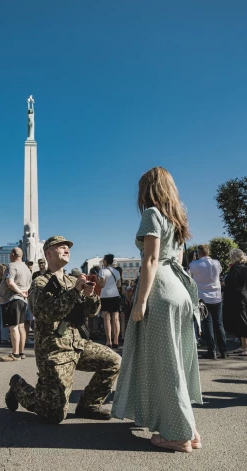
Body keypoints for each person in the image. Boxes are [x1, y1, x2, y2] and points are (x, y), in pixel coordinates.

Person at [112, 167, 202, 453]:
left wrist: (139, 302)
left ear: (148, 189)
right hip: (180, 290)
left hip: (161, 291)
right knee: (176, 361)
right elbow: (177, 258)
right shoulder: (177, 217)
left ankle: (178, 435)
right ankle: (189, 429)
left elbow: (150, 260)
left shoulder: (152, 213)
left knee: (166, 366)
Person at [4, 235, 121, 424]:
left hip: (78, 344)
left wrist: (90, 296)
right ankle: (18, 386)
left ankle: (88, 405)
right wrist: (75, 292)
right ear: (48, 253)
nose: (67, 249)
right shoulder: (40, 283)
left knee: (114, 361)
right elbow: (46, 313)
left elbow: (92, 312)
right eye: (61, 247)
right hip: (54, 350)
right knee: (53, 414)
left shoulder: (72, 280)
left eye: (68, 247)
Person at [190, 244, 228, 359]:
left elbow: (189, 276)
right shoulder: (216, 263)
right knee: (219, 324)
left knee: (208, 324)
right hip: (216, 296)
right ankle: (223, 350)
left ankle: (212, 350)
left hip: (203, 298)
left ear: (198, 253)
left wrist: (193, 261)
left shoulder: (194, 265)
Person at [0, 247, 32, 361]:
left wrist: (19, 291)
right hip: (23, 300)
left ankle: (15, 354)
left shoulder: (12, 266)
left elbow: (10, 282)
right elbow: (29, 285)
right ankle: (21, 352)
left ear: (13, 254)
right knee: (21, 326)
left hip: (12, 299)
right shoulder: (27, 268)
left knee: (13, 327)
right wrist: (23, 292)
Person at [223, 249, 247, 356]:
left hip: (239, 298)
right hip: (243, 297)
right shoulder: (243, 268)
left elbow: (232, 284)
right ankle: (243, 346)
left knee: (243, 322)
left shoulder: (236, 269)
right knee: (242, 322)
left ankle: (245, 347)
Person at [96, 254, 121, 348]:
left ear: (106, 261)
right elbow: (119, 285)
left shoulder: (102, 271)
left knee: (107, 319)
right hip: (115, 295)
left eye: (103, 260)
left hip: (105, 295)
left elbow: (101, 285)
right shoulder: (116, 271)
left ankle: (109, 341)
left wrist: (97, 279)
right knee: (115, 319)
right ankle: (116, 341)